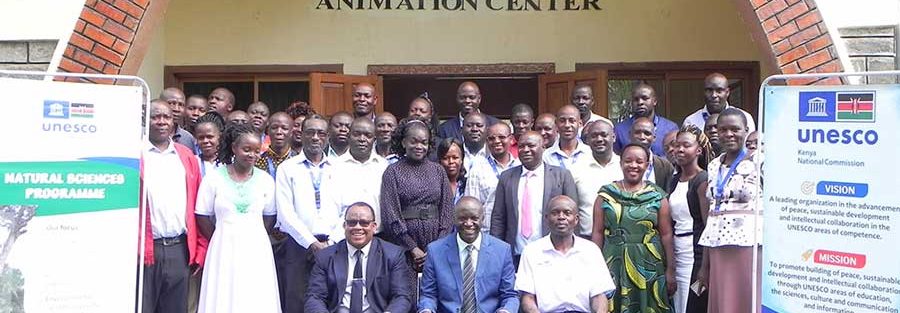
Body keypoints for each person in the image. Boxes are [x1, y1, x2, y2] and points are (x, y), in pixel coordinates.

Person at [194, 123, 280, 312]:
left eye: (257, 151)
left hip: (257, 248)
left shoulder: (265, 180)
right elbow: (201, 215)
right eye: (246, 149)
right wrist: (221, 236)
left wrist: (250, 233)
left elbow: (270, 217)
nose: (252, 155)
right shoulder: (214, 178)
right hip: (223, 247)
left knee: (254, 294)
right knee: (223, 295)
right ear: (234, 148)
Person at [592, 143, 676, 313]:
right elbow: (597, 233)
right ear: (621, 163)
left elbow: (666, 235)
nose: (633, 165)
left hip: (650, 261)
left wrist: (670, 270)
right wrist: (594, 268)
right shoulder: (606, 195)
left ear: (647, 165)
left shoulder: (657, 196)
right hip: (613, 261)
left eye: (639, 161)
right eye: (628, 161)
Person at [140, 101, 206, 313]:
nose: (161, 122)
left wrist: (199, 249)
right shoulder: (132, 154)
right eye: (155, 117)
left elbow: (198, 206)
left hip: (180, 250)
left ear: (173, 121)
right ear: (144, 119)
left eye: (166, 117)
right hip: (145, 250)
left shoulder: (186, 156)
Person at [697, 108, 763, 313]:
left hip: (748, 245)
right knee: (724, 302)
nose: (729, 134)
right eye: (723, 129)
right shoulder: (714, 165)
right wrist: (704, 264)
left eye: (735, 129)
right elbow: (711, 214)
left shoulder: (759, 161)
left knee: (748, 301)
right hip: (718, 246)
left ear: (746, 130)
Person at [275, 116, 341, 313]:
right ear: (301, 135)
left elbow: (348, 210)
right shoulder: (287, 168)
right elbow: (286, 212)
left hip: (334, 246)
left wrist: (330, 243)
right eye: (310, 132)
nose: (315, 137)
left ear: (327, 137)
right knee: (296, 301)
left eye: (321, 133)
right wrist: (311, 243)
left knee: (332, 300)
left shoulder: (339, 169)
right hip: (298, 246)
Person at [380, 119, 453, 294]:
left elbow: (447, 210)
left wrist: (437, 247)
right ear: (404, 142)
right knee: (407, 295)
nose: (419, 146)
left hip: (436, 242)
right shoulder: (393, 172)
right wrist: (412, 248)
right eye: (414, 141)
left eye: (424, 142)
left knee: (436, 293)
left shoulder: (438, 171)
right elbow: (390, 214)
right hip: (404, 246)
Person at [305, 202, 413, 313]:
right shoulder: (325, 257)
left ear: (374, 226)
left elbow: (402, 296)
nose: (357, 227)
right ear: (344, 226)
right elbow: (315, 297)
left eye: (364, 223)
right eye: (352, 223)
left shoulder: (393, 254)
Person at [418, 197, 519, 313]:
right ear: (454, 218)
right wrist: (426, 310)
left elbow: (510, 295)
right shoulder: (435, 251)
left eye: (474, 218)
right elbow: (428, 294)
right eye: (462, 218)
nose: (468, 223)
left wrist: (506, 310)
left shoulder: (501, 250)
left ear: (482, 218)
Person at [490, 131, 578, 264]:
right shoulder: (506, 177)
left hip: (552, 253)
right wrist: (497, 253)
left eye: (531, 146)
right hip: (515, 255)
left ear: (543, 147)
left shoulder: (562, 176)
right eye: (521, 146)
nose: (525, 150)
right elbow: (498, 218)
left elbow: (572, 215)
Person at [516, 196, 615, 313]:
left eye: (567, 213)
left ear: (576, 219)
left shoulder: (591, 251)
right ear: (546, 218)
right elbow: (528, 299)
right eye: (555, 213)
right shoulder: (532, 252)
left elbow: (599, 296)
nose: (561, 217)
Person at [668, 125, 713, 313]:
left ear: (698, 150)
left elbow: (708, 226)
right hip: (677, 251)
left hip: (694, 255)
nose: (679, 149)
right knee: (679, 304)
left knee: (692, 305)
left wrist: (705, 268)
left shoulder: (702, 180)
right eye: (676, 145)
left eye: (686, 145)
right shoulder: (674, 179)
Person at [326, 118, 389, 237]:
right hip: (343, 236)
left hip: (379, 236)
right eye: (357, 134)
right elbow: (330, 208)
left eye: (368, 135)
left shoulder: (384, 166)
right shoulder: (334, 166)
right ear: (349, 136)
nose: (362, 139)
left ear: (374, 140)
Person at [464, 123, 520, 232]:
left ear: (511, 139)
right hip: (488, 233)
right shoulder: (477, 170)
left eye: (502, 137)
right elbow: (471, 207)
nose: (496, 141)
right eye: (491, 138)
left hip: (516, 233)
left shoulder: (520, 167)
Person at [571, 120, 622, 238]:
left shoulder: (625, 166)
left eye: (604, 135)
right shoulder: (576, 169)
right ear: (587, 140)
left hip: (620, 239)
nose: (599, 139)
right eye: (594, 136)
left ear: (613, 137)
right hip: (586, 238)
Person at [613, 83, 680, 157]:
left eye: (645, 98)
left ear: (654, 101)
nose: (640, 102)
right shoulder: (619, 130)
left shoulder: (670, 128)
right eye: (636, 99)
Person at [683, 73, 756, 133]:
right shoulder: (691, 121)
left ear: (727, 92)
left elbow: (751, 148)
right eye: (709, 90)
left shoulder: (744, 118)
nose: (714, 95)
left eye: (719, 91)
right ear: (704, 92)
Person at [629, 117, 675, 188]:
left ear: (654, 137)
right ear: (630, 135)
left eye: (647, 133)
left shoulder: (665, 166)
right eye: (637, 132)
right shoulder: (620, 163)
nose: (642, 137)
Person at [543, 105, 592, 171]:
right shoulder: (546, 156)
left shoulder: (590, 153)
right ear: (556, 124)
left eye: (572, 121)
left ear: (580, 123)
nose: (567, 125)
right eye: (562, 121)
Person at [256, 112, 297, 178]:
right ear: (268, 131)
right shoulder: (257, 162)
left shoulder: (298, 161)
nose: (279, 132)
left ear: (291, 132)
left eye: (284, 128)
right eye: (274, 128)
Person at [194, 112, 225, 177]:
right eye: (201, 138)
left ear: (220, 136)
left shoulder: (229, 162)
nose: (205, 141)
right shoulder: (193, 162)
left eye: (210, 137)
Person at [437, 138, 466, 206]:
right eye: (445, 158)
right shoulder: (435, 185)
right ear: (440, 161)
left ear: (462, 159)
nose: (451, 162)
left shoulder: (467, 185)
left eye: (455, 157)